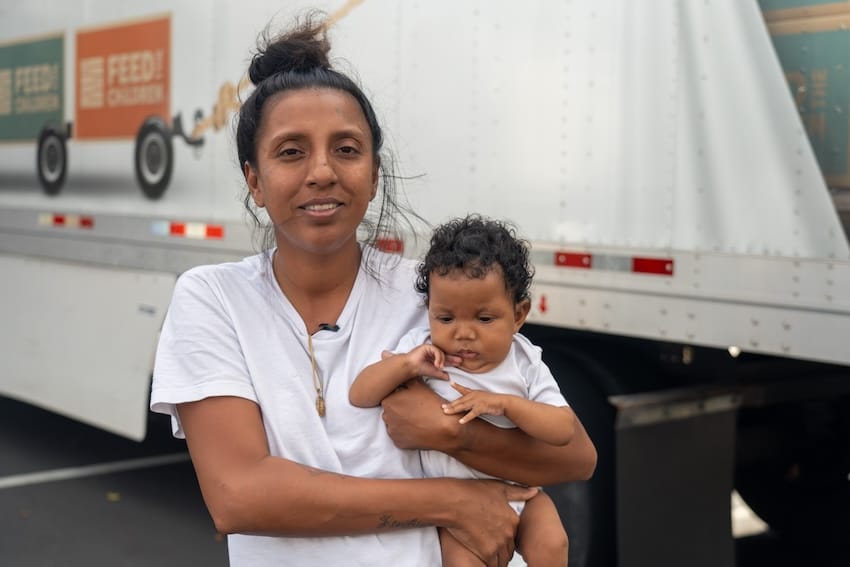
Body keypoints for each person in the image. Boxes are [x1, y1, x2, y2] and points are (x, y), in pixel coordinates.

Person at [150, 13, 596, 567]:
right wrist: (454, 502)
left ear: (374, 174)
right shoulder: (214, 299)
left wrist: (451, 434)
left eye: (346, 149)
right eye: (291, 151)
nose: (322, 172)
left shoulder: (433, 296)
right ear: (254, 180)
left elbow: (576, 457)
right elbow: (239, 495)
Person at [350, 215, 575, 566]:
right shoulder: (422, 348)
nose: (463, 333)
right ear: (428, 311)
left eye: (484, 319)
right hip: (455, 505)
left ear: (518, 315)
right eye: (446, 318)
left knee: (553, 542)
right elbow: (360, 394)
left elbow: (563, 429)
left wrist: (507, 405)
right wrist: (405, 365)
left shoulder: (524, 360)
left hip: (522, 493)